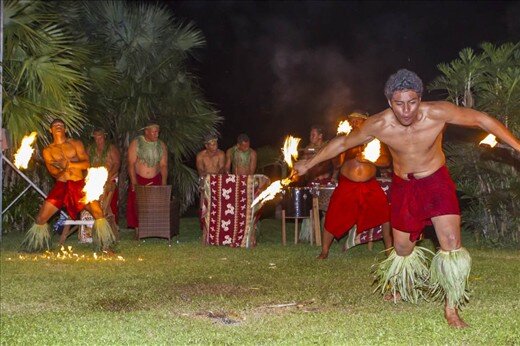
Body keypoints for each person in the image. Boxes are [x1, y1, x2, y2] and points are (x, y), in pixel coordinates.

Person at [294, 69, 520, 328]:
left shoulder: (438, 112)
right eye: (399, 104)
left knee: (451, 242)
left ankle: (451, 308)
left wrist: (518, 146)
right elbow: (342, 144)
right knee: (402, 249)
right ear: (390, 102)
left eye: (412, 102)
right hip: (404, 186)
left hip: (436, 182)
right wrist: (309, 163)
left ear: (420, 98)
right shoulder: (379, 124)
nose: (406, 110)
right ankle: (402, 285)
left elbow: (482, 120)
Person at [20, 119, 115, 252]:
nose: (58, 127)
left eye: (61, 125)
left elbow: (86, 164)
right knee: (41, 217)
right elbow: (54, 173)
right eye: (55, 125)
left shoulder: (75, 143)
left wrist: (69, 165)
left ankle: (106, 246)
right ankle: (35, 246)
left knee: (98, 212)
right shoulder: (48, 151)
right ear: (50, 130)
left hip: (79, 185)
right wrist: (62, 169)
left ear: (65, 129)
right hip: (61, 186)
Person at [317, 113, 392, 259]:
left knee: (385, 214)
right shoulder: (345, 140)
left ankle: (389, 250)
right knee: (333, 214)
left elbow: (386, 162)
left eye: (358, 120)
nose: (355, 123)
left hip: (370, 185)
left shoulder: (375, 139)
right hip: (347, 184)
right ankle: (324, 251)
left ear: (365, 122)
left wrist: (369, 158)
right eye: (352, 121)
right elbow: (337, 164)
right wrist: (339, 145)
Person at [126, 121, 168, 233]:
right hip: (139, 179)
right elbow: (131, 163)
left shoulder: (161, 145)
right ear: (146, 131)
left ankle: (154, 228)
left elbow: (163, 165)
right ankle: (138, 228)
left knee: (155, 204)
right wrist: (134, 181)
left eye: (158, 132)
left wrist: (163, 183)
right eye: (154, 132)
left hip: (156, 179)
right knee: (137, 204)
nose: (157, 134)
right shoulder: (136, 143)